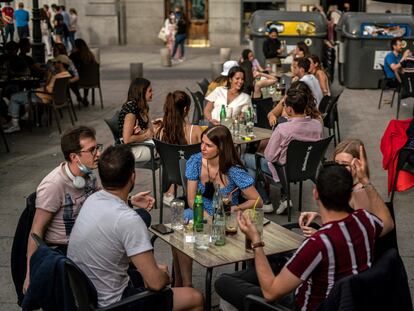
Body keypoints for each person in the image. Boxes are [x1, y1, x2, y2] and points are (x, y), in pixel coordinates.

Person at [215, 154, 394, 311]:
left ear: (315, 194)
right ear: (349, 196)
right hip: (347, 301)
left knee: (223, 282)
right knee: (277, 261)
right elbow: (388, 222)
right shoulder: (364, 220)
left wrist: (256, 241)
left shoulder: (318, 244)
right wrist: (366, 182)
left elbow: (270, 292)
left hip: (303, 305)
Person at [67, 145, 203, 310]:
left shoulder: (92, 200)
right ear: (133, 176)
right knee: (194, 298)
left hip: (88, 296)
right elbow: (156, 283)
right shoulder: (129, 219)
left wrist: (153, 271)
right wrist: (164, 277)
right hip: (114, 304)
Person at [173, 125, 263, 287]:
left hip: (227, 220)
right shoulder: (195, 161)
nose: (202, 148)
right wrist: (208, 218)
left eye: (208, 145)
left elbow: (257, 200)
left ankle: (181, 285)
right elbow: (192, 200)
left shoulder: (233, 170)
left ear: (221, 148)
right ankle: (186, 284)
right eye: (202, 143)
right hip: (200, 212)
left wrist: (236, 208)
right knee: (182, 224)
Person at [243, 87, 323, 214]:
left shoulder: (283, 129)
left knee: (245, 158)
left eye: (284, 105)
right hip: (306, 168)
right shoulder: (317, 125)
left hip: (283, 172)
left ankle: (262, 200)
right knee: (253, 165)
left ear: (289, 109)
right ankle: (262, 199)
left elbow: (269, 157)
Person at [300, 139, 371, 237]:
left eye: (345, 164)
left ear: (358, 164)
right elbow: (341, 223)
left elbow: (357, 236)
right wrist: (318, 217)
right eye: (336, 164)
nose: (339, 168)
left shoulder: (360, 192)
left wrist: (320, 235)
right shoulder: (347, 187)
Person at [155, 90, 203, 205]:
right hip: (194, 176)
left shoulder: (161, 131)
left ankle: (170, 192)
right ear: (185, 109)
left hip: (172, 175)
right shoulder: (195, 131)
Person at [3, 55, 72, 133]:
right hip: (50, 96)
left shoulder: (56, 76)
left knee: (14, 97)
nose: (54, 64)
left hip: (43, 97)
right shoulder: (66, 74)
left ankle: (15, 124)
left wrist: (48, 78)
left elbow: (48, 90)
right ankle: (20, 116)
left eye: (55, 62)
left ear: (61, 64)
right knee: (23, 94)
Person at [118, 78, 155, 162]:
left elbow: (151, 130)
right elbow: (126, 139)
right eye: (150, 91)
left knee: (165, 143)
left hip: (140, 144)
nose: (152, 93)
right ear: (141, 93)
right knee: (164, 150)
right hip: (129, 150)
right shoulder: (131, 111)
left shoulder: (143, 106)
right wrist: (145, 135)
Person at [69, 38, 98, 106]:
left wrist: (72, 52)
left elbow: (69, 64)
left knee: (70, 81)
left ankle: (78, 96)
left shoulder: (74, 55)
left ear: (76, 46)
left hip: (80, 80)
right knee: (85, 76)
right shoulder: (90, 55)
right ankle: (85, 97)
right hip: (92, 80)